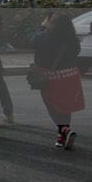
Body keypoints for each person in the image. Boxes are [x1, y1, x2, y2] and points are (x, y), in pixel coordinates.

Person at [31, 12, 83, 149]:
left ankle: (64, 130)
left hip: (50, 77)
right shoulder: (72, 39)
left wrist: (42, 27)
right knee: (65, 106)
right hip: (70, 76)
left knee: (52, 105)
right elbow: (76, 52)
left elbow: (31, 41)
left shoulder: (44, 37)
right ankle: (62, 135)